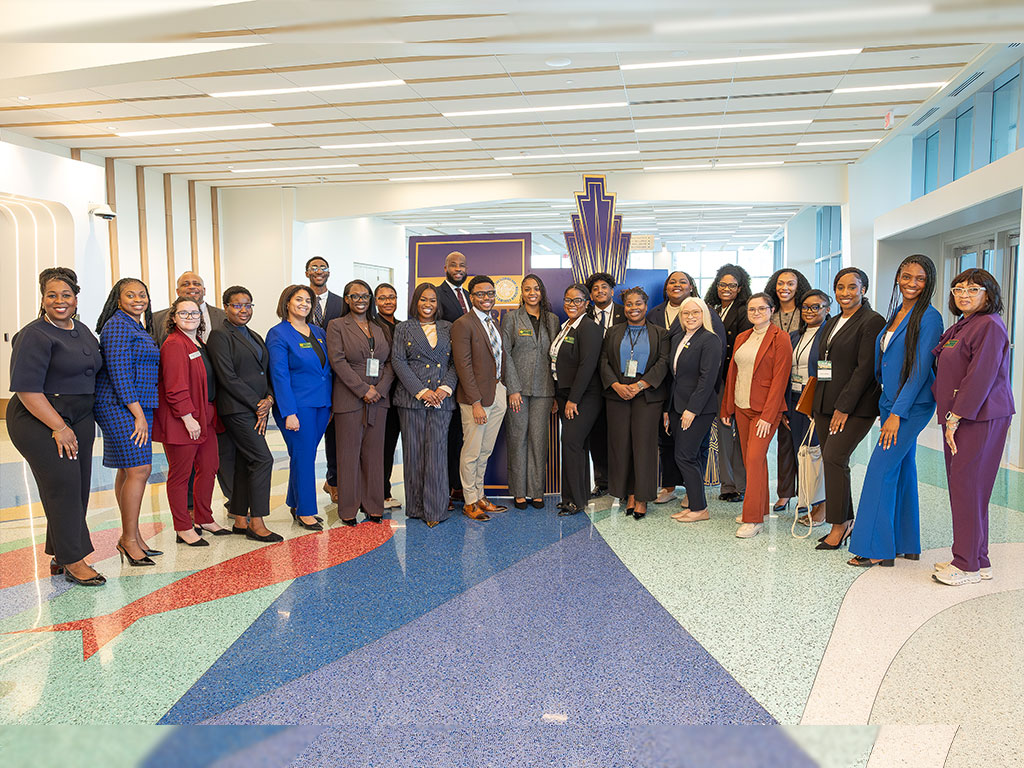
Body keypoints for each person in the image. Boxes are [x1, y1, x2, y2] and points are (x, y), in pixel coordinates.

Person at [7, 267, 105, 586]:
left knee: (78, 488)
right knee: (62, 487)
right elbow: (27, 389)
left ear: (76, 299)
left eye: (66, 295)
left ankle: (59, 552)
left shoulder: (83, 330)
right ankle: (74, 559)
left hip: (79, 418)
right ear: (43, 298)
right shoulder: (35, 334)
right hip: (41, 419)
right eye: (52, 295)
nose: (59, 301)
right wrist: (59, 426)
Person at [847, 255, 943, 568]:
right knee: (902, 469)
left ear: (928, 283)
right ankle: (905, 543)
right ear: (898, 277)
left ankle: (876, 548)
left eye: (920, 279)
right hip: (891, 401)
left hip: (909, 407)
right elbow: (887, 359)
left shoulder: (930, 317)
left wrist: (896, 414)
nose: (912, 284)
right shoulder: (897, 312)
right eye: (906, 277)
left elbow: (918, 370)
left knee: (879, 470)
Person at [932, 269, 1015, 586]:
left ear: (989, 293)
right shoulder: (964, 324)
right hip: (961, 415)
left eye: (973, 289)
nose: (963, 294)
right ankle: (977, 559)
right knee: (968, 488)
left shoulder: (990, 325)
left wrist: (956, 417)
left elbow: (980, 376)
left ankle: (966, 565)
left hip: (977, 417)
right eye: (958, 289)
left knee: (968, 487)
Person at [811, 268, 886, 551]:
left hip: (855, 407)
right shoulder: (832, 322)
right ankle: (847, 520)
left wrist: (843, 407)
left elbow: (865, 369)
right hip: (825, 404)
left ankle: (838, 525)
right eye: (840, 287)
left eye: (852, 287)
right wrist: (817, 403)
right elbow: (825, 364)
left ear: (863, 289)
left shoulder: (872, 321)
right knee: (834, 463)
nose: (846, 293)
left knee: (834, 458)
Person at [93, 278, 161, 567]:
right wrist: (138, 414)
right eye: (130, 295)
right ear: (118, 300)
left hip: (135, 405)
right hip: (121, 405)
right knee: (139, 469)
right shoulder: (118, 325)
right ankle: (129, 540)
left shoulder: (135, 325)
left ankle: (130, 536)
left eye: (142, 294)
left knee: (128, 469)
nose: (137, 299)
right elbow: (119, 373)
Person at [207, 286, 282, 543]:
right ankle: (257, 523)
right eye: (237, 305)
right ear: (226, 307)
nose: (243, 310)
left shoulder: (253, 335)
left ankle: (239, 518)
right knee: (263, 460)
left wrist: (269, 398)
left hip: (256, 407)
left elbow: (265, 372)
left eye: (248, 305)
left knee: (243, 462)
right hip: (237, 410)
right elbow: (227, 377)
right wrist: (256, 404)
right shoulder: (219, 335)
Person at [153, 297, 228, 546]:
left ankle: (204, 518)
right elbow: (174, 387)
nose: (190, 317)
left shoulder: (198, 343)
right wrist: (187, 417)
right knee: (180, 475)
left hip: (205, 416)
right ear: (173, 317)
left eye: (194, 313)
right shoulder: (174, 344)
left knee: (209, 466)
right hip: (183, 420)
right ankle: (183, 527)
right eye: (183, 313)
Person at [650, 271, 728, 505]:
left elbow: (710, 372)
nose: (691, 316)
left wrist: (695, 406)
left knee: (690, 452)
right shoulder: (677, 332)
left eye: (682, 281)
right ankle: (681, 492)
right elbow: (672, 367)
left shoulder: (709, 333)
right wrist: (668, 405)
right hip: (672, 397)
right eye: (672, 282)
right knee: (675, 449)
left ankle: (696, 499)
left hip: (697, 403)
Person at [720, 293, 793, 538]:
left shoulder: (780, 338)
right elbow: (733, 374)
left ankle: (753, 519)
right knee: (754, 461)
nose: (756, 313)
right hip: (742, 407)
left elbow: (780, 380)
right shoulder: (743, 336)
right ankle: (759, 508)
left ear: (772, 310)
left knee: (754, 459)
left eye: (762, 309)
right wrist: (727, 407)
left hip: (764, 412)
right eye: (752, 310)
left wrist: (768, 415)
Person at [326, 279, 394, 525]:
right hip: (350, 398)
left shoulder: (379, 327)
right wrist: (363, 389)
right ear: (346, 299)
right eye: (355, 296)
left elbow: (389, 362)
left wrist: (380, 389)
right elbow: (338, 361)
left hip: (379, 399)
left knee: (375, 455)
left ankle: (374, 506)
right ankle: (348, 510)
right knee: (348, 455)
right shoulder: (336, 326)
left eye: (365, 296)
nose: (361, 300)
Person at [599, 286, 670, 520]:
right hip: (617, 395)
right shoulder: (613, 332)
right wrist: (617, 386)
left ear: (646, 306)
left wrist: (640, 385)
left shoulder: (660, 333)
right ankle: (628, 493)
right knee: (621, 446)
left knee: (644, 447)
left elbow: (663, 362)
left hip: (647, 396)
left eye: (638, 303)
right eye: (629, 304)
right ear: (624, 308)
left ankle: (641, 497)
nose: (633, 308)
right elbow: (604, 361)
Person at [390, 283, 458, 527]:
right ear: (415, 302)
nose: (427, 305)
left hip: (442, 400)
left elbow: (455, 362)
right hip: (411, 400)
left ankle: (436, 511)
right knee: (414, 454)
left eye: (432, 300)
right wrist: (421, 391)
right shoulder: (403, 328)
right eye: (423, 300)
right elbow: (398, 361)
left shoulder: (448, 328)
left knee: (438, 455)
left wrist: (443, 389)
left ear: (438, 304)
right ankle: (416, 508)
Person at [266, 285, 333, 532]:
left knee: (304, 455)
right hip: (298, 407)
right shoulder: (278, 334)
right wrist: (289, 412)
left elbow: (327, 368)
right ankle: (306, 511)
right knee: (305, 457)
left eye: (308, 300)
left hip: (322, 404)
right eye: (299, 299)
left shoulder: (318, 331)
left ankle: (294, 502)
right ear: (287, 303)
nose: (304, 304)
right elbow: (279, 375)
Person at [451, 275, 509, 521]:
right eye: (481, 294)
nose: (486, 298)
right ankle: (469, 500)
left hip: (497, 392)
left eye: (490, 293)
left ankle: (480, 495)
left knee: (485, 451)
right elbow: (462, 365)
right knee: (472, 451)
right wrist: (475, 402)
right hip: (475, 400)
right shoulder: (463, 323)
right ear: (471, 297)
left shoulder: (492, 321)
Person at [501, 273, 559, 509]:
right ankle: (519, 492)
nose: (532, 293)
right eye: (527, 289)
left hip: (544, 391)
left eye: (536, 288)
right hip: (518, 391)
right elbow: (505, 354)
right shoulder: (512, 319)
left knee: (538, 441)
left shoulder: (552, 320)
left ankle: (536, 491)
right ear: (521, 293)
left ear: (542, 292)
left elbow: (556, 357)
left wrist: (555, 393)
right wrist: (512, 389)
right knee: (517, 440)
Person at [666, 297, 723, 523]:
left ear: (704, 315)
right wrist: (668, 410)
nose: (690, 317)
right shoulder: (679, 337)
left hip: (698, 409)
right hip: (677, 406)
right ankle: (695, 505)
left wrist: (692, 409)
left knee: (685, 456)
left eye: (695, 313)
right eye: (686, 313)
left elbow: (707, 379)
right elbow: (675, 377)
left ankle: (700, 509)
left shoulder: (710, 340)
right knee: (691, 456)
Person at [551, 284, 604, 516]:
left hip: (584, 396)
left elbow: (587, 366)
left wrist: (574, 399)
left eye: (577, 301)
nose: (572, 305)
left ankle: (572, 500)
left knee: (571, 443)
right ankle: (576, 497)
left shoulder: (589, 327)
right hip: (565, 395)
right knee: (577, 446)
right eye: (568, 300)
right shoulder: (566, 327)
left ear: (587, 303)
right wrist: (559, 396)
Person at [764, 268, 812, 513]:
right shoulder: (768, 312)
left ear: (798, 286)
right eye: (781, 283)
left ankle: (806, 494)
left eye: (790, 283)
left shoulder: (806, 313)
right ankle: (784, 494)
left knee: (803, 443)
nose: (785, 287)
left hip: (800, 381)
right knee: (783, 440)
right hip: (774, 381)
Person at [704, 264, 753, 503]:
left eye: (732, 285)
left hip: (734, 379)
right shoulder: (711, 309)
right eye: (722, 284)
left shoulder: (744, 311)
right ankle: (727, 484)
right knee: (723, 431)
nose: (726, 289)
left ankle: (740, 484)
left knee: (736, 433)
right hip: (713, 379)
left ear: (740, 288)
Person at [790, 290, 830, 527]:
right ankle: (807, 501)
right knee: (802, 453)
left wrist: (821, 404)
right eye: (805, 307)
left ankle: (822, 507)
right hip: (796, 399)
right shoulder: (795, 335)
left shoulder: (828, 335)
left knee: (816, 454)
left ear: (827, 309)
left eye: (816, 307)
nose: (810, 311)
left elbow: (827, 372)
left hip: (817, 400)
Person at [305, 256, 343, 504]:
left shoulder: (341, 302)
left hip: (338, 374)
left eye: (323, 267)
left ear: (329, 272)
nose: (319, 271)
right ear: (307, 272)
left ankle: (334, 480)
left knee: (335, 431)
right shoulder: (298, 300)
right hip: (308, 375)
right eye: (314, 267)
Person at [435, 251, 471, 507]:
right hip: (445, 372)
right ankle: (443, 490)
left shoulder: (469, 295)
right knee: (444, 435)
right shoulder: (436, 294)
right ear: (445, 267)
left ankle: (459, 486)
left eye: (462, 265)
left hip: (467, 374)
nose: (458, 269)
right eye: (453, 265)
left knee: (461, 433)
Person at [585, 271, 625, 497]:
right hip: (592, 384)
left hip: (619, 382)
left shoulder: (624, 311)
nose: (600, 291)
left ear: (612, 290)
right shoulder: (584, 313)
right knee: (597, 435)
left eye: (604, 287)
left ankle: (622, 481)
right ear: (590, 295)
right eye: (595, 289)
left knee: (619, 434)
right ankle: (602, 481)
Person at [374, 282, 403, 511]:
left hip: (404, 394)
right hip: (382, 395)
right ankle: (381, 492)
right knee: (383, 448)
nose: (388, 302)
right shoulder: (372, 326)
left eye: (391, 297)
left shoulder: (403, 326)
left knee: (396, 446)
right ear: (376, 301)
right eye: (383, 298)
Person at [152, 271, 226, 346]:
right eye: (186, 284)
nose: (192, 287)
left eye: (196, 284)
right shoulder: (157, 319)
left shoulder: (224, 316)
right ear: (178, 292)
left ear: (204, 291)